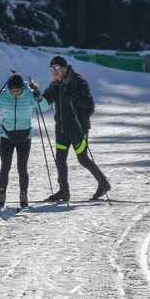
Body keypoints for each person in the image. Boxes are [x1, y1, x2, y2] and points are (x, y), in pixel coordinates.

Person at [41, 56, 110, 201]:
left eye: (57, 68)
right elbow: (45, 101)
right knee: (60, 159)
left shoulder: (78, 82)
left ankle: (103, 184)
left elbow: (89, 104)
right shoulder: (54, 85)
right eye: (52, 69)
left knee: (83, 158)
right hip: (61, 129)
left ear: (65, 68)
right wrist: (37, 96)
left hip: (78, 128)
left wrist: (74, 96)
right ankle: (63, 191)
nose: (54, 71)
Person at [0, 74, 50, 209]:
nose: (15, 93)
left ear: (21, 88)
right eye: (13, 91)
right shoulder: (4, 94)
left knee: (22, 168)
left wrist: (39, 99)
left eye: (17, 90)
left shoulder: (29, 94)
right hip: (7, 136)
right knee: (5, 166)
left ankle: (23, 195)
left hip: (25, 136)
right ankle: (1, 195)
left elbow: (44, 107)